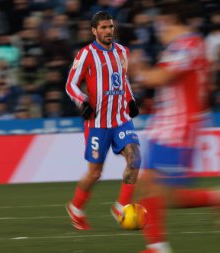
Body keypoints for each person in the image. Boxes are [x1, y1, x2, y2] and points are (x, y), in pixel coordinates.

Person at [129, 2, 220, 253]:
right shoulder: (178, 47)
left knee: (155, 188)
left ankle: (157, 247)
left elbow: (159, 78)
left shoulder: (188, 44)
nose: (157, 29)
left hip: (180, 126)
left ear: (171, 20)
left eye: (159, 23)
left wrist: (136, 69)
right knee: (156, 190)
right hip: (165, 124)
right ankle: (219, 198)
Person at [65, 11, 141, 230]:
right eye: (104, 28)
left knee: (134, 158)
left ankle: (121, 207)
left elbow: (122, 79)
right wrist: (83, 102)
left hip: (121, 119)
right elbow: (71, 84)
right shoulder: (86, 54)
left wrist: (131, 100)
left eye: (110, 27)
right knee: (95, 173)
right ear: (94, 31)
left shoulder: (122, 51)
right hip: (98, 123)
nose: (108, 31)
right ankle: (76, 208)